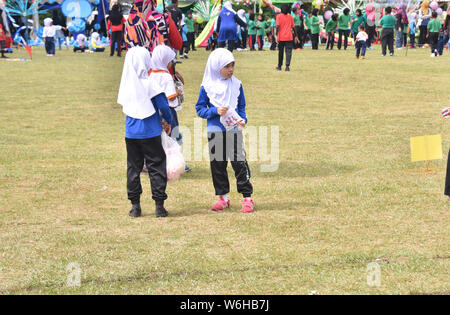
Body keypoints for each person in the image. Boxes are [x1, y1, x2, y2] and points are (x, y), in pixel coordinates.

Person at [195, 48, 254, 213]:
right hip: (215, 131)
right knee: (218, 165)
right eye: (226, 66)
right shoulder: (207, 86)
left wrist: (243, 119)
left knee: (239, 163)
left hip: (233, 130)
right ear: (216, 67)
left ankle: (247, 197)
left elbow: (241, 106)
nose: (231, 69)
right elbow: (200, 108)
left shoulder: (237, 84)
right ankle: (223, 197)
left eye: (232, 65)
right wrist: (214, 111)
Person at [117, 46, 173, 218]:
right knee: (156, 167)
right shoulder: (150, 84)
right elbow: (164, 106)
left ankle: (135, 206)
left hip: (131, 133)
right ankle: (159, 206)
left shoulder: (127, 85)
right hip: (151, 132)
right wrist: (167, 121)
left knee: (133, 168)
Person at [276, 4, 298, 71]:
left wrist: (276, 35)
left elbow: (277, 27)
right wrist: (296, 36)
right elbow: (293, 27)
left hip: (281, 37)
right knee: (288, 52)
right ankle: (287, 66)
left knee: (281, 52)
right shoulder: (290, 17)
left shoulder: (278, 16)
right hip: (289, 37)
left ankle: (279, 66)